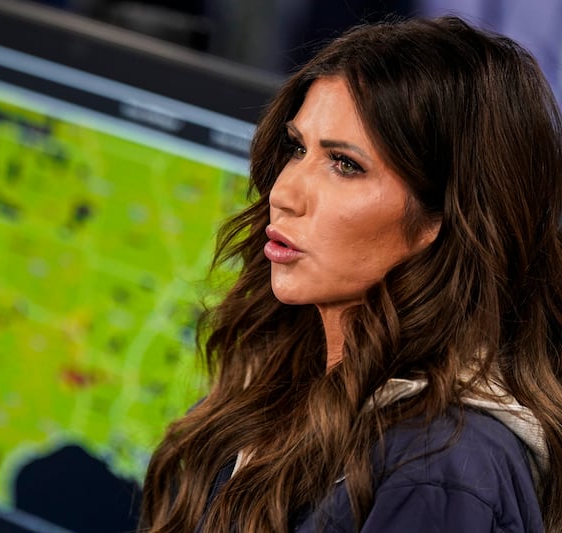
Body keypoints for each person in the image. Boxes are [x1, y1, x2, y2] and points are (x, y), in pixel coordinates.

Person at [139, 15, 562, 533]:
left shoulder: (442, 468)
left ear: (444, 217)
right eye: (297, 149)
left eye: (344, 165)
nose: (283, 193)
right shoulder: (280, 369)